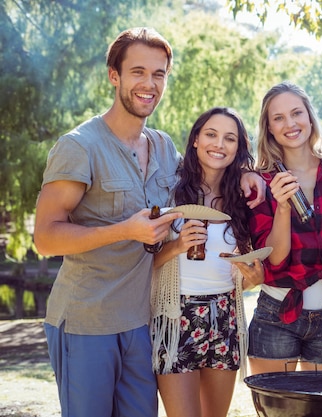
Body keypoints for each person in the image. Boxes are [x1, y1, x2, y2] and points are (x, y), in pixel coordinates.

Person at [33, 28, 264, 417]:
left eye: (159, 74)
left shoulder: (162, 146)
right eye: (138, 71)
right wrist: (125, 230)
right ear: (114, 75)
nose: (149, 84)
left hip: (143, 322)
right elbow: (45, 238)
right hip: (88, 321)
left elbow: (205, 174)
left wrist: (244, 171)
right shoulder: (79, 146)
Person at [150, 107, 264, 417]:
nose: (219, 144)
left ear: (238, 149)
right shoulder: (168, 188)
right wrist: (177, 246)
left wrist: (252, 277)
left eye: (230, 138)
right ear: (196, 139)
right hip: (176, 317)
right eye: (211, 134)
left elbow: (245, 273)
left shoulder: (241, 197)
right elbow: (142, 264)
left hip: (225, 317)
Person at [246, 81, 322, 374]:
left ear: (309, 117)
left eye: (296, 113)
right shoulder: (261, 184)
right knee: (276, 409)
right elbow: (276, 258)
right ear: (268, 128)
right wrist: (282, 205)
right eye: (278, 118)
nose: (290, 124)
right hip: (276, 315)